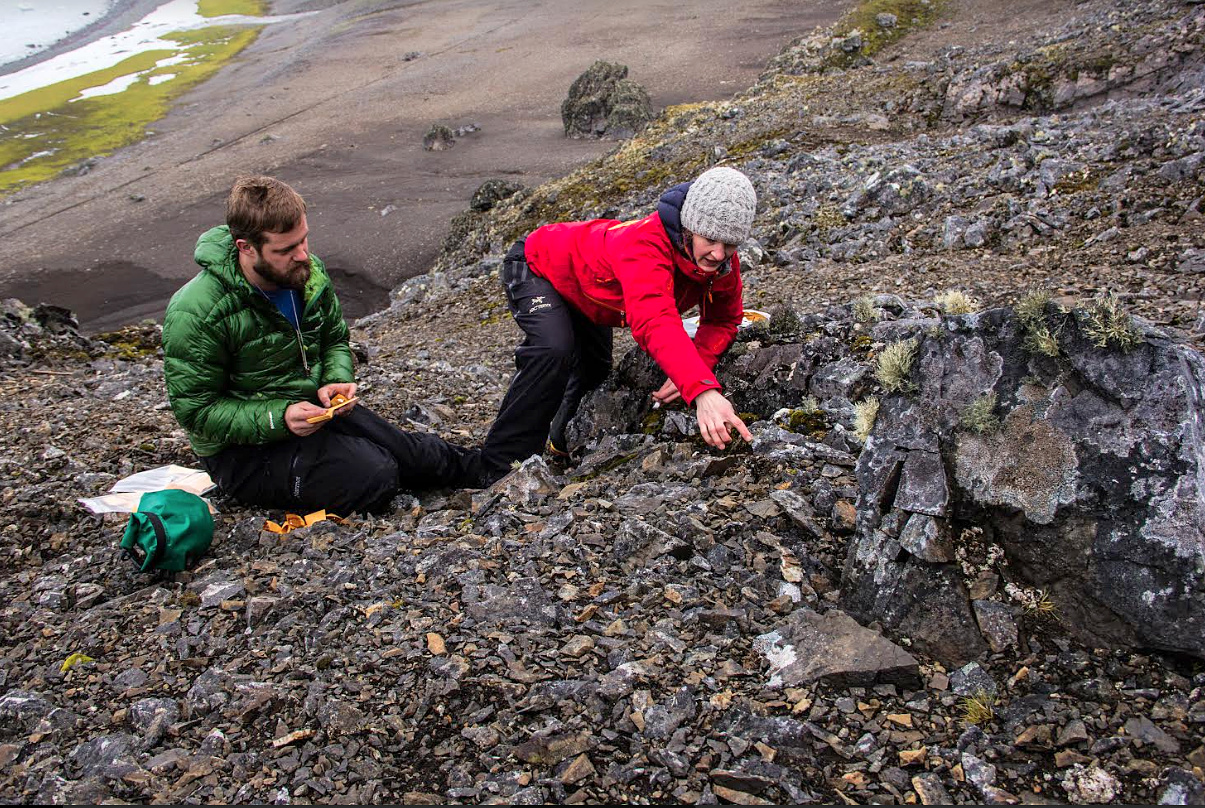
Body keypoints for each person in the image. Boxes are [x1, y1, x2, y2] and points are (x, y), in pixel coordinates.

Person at [162, 175, 480, 515]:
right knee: (375, 474)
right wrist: (278, 418)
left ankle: (502, 465)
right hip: (241, 453)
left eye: (304, 240)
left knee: (420, 457)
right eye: (285, 250)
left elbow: (333, 340)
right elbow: (195, 411)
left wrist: (334, 377)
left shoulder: (306, 276)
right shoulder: (197, 311)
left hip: (311, 412)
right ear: (245, 247)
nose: (303, 256)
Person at [479, 165, 757, 484]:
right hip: (537, 265)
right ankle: (502, 467)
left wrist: (699, 369)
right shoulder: (645, 244)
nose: (718, 254)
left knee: (594, 371)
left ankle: (558, 448)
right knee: (553, 350)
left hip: (590, 297)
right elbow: (654, 319)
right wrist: (703, 392)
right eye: (710, 240)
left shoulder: (721, 263)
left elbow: (723, 319)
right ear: (691, 228)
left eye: (730, 245)